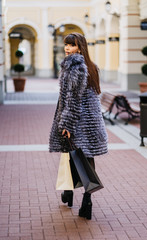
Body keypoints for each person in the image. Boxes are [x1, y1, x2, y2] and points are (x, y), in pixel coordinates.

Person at [49, 32, 108, 220]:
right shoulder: (92, 67)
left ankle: (70, 193)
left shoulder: (73, 66)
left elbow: (72, 99)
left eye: (71, 45)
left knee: (70, 155)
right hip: (91, 121)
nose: (67, 48)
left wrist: (66, 123)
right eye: (66, 45)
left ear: (80, 47)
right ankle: (85, 199)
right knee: (86, 158)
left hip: (76, 121)